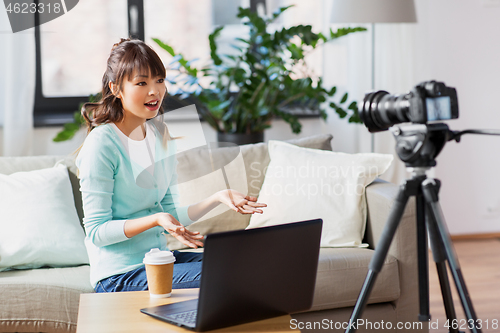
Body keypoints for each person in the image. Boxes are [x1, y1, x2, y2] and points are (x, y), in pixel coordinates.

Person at [75, 38, 266, 293]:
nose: (154, 91)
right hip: (119, 274)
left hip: (159, 260)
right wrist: (155, 219)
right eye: (141, 83)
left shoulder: (162, 135)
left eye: (159, 80)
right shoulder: (102, 143)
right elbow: (97, 232)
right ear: (116, 88)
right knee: (229, 276)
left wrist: (218, 198)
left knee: (252, 264)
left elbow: (169, 212)